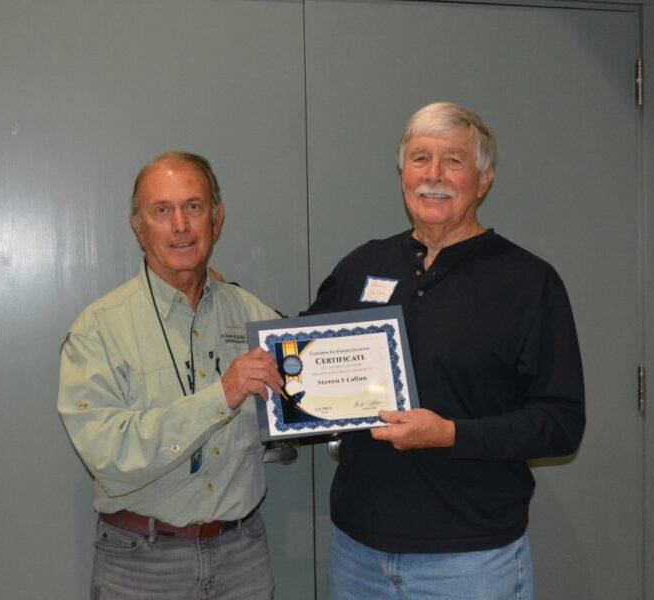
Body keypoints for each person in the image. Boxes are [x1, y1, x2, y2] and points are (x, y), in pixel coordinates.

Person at [308, 102, 586, 599]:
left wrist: (449, 434)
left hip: (469, 562)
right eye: (419, 159)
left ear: (484, 180)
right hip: (358, 553)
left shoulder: (528, 282)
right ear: (401, 173)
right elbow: (302, 359)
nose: (432, 175)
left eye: (453, 161)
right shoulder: (362, 265)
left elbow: (561, 423)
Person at [57, 151, 283, 599]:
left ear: (216, 219)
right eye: (162, 210)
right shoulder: (99, 329)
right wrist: (225, 394)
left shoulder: (255, 316)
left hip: (241, 558)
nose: (180, 224)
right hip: (141, 565)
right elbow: (109, 454)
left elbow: (289, 421)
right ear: (138, 227)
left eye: (193, 207)